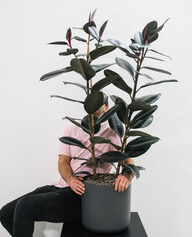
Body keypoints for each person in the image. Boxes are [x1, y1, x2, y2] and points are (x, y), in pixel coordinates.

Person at [0, 99, 134, 237]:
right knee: (6, 213)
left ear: (106, 108)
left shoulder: (111, 132)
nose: (93, 101)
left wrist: (126, 175)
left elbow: (128, 161)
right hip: (63, 185)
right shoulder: (73, 128)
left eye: (98, 99)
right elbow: (63, 161)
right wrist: (70, 179)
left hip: (85, 193)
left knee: (24, 207)